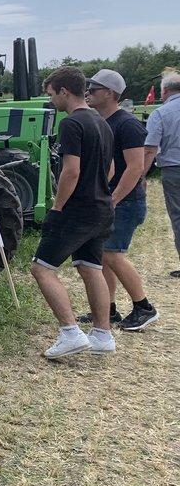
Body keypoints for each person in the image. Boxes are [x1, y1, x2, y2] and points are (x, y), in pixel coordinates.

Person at [29, 66, 115, 358]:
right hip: (102, 209)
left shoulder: (71, 123)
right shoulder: (102, 122)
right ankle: (102, 335)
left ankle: (70, 332)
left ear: (64, 91)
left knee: (41, 269)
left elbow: (71, 171)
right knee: (91, 268)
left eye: (51, 94)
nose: (50, 100)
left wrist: (57, 206)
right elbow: (110, 169)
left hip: (77, 211)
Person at [81, 69, 158, 331]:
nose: (88, 93)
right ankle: (108, 309)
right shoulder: (103, 122)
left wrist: (113, 200)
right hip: (113, 200)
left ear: (109, 93)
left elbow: (135, 168)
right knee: (104, 256)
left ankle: (144, 307)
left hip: (125, 201)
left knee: (112, 255)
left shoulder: (127, 124)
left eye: (93, 89)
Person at [144, 68, 180, 278]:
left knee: (178, 216)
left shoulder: (160, 114)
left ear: (164, 91)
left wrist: (140, 176)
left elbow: (150, 149)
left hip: (174, 170)